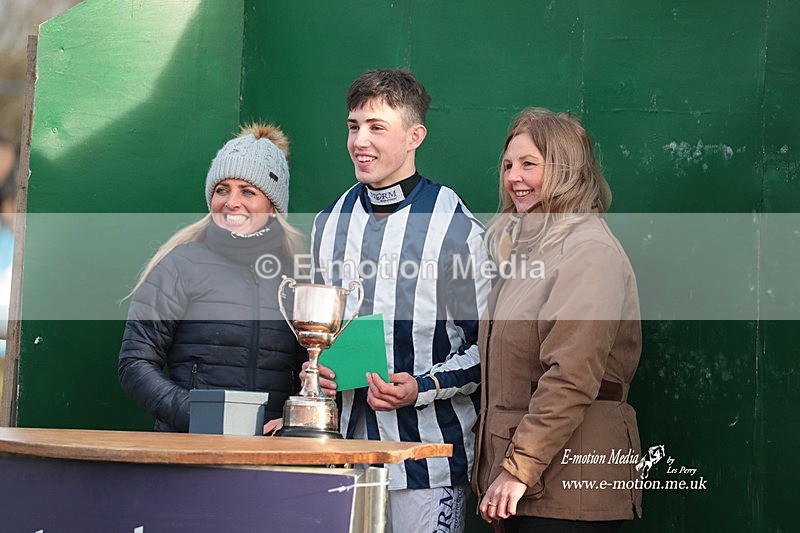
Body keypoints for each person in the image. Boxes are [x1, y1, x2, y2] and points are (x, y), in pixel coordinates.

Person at [308, 69, 490, 532]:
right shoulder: (328, 223)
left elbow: (488, 350)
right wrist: (317, 372)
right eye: (354, 126)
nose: (360, 140)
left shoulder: (455, 226)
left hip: (427, 465)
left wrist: (420, 387)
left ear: (414, 136)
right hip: (345, 462)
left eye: (376, 127)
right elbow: (315, 336)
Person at [473, 108, 642, 532]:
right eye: (509, 165)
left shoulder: (587, 251)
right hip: (532, 490)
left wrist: (518, 469)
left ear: (566, 170)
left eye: (530, 164)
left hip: (570, 494)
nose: (514, 178)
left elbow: (571, 375)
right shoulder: (531, 252)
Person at [119, 123, 306, 435]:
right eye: (222, 190)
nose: (232, 202)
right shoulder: (179, 264)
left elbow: (314, 372)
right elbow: (134, 365)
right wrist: (201, 418)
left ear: (273, 206)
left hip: (273, 456)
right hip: (192, 452)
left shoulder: (297, 274)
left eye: (248, 191)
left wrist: (297, 417)